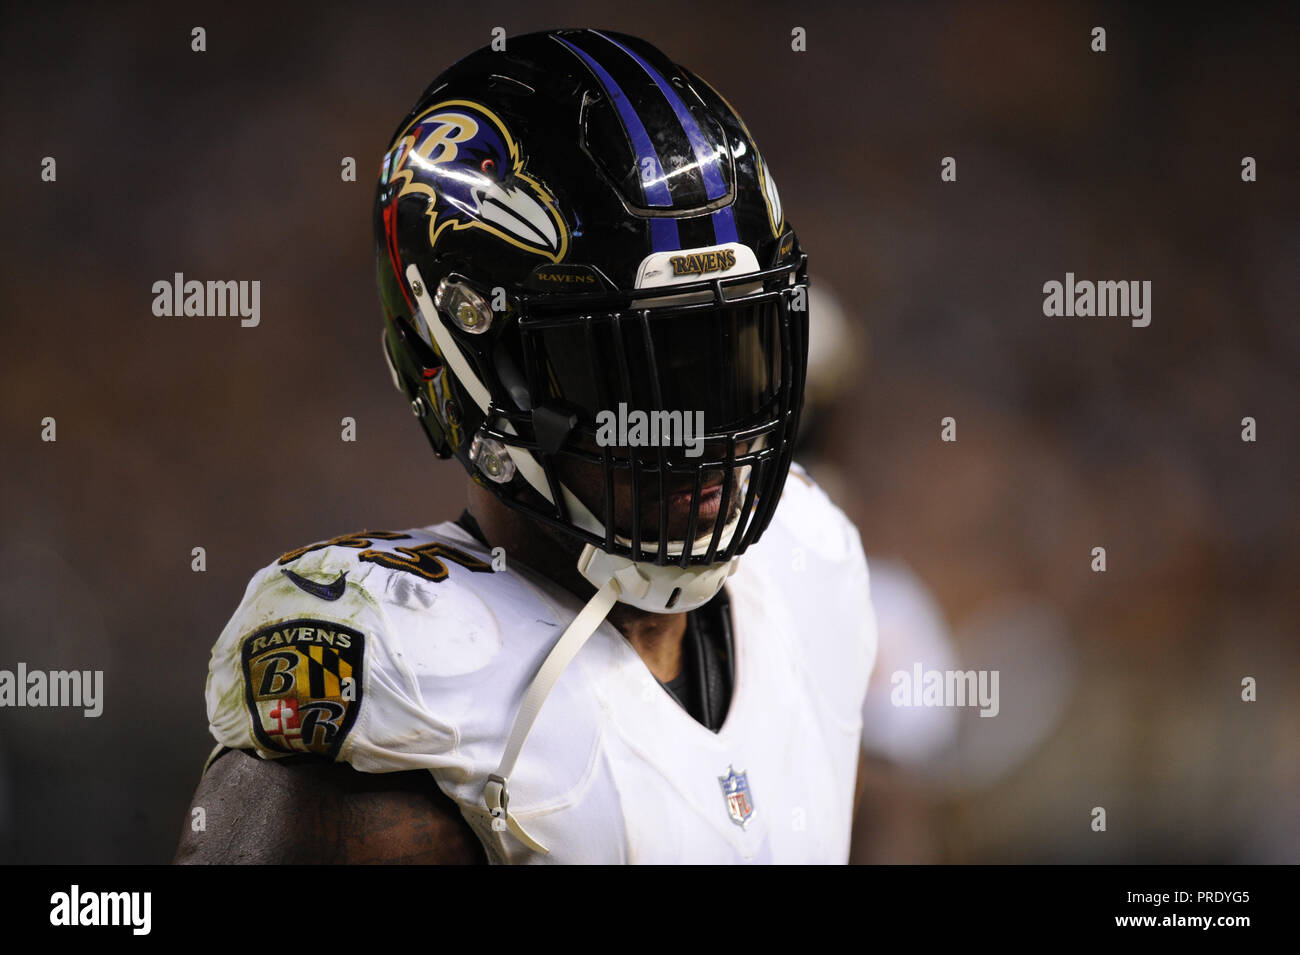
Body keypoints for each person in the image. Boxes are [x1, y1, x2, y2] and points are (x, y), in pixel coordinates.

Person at [175, 28, 877, 864]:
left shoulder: (811, 567)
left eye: (724, 354)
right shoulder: (419, 681)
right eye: (629, 371)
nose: (696, 431)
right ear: (466, 361)